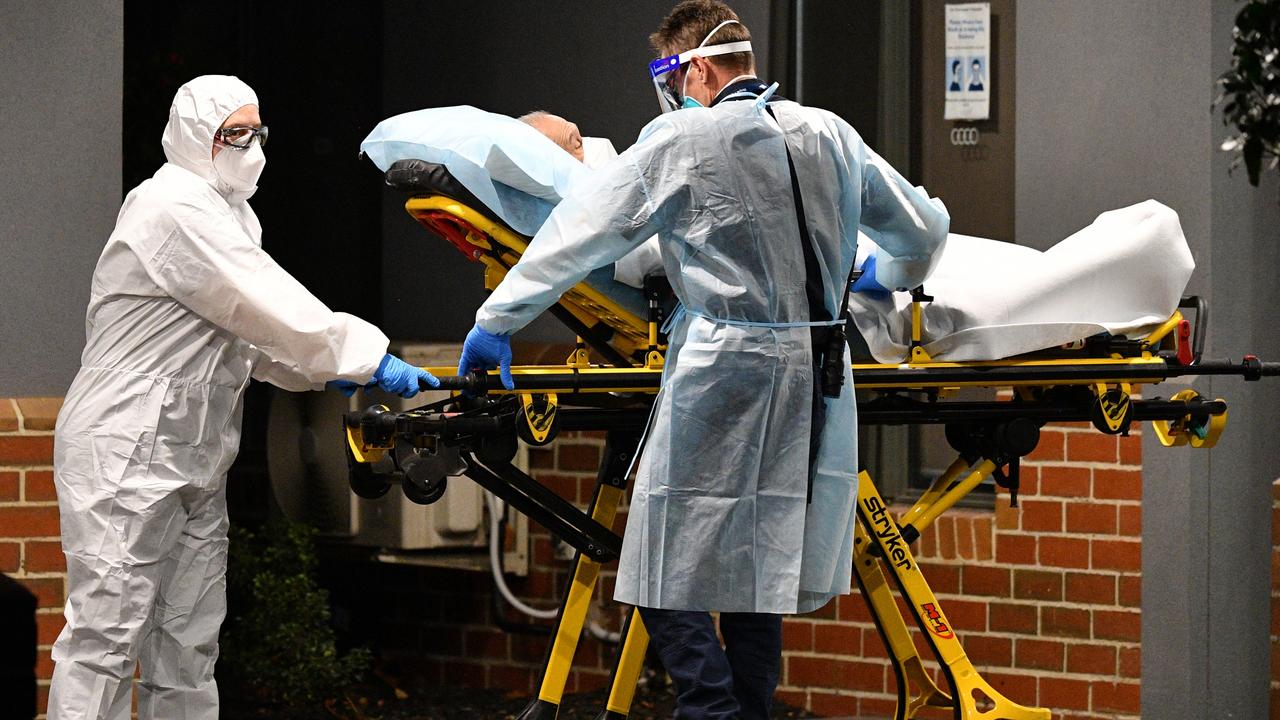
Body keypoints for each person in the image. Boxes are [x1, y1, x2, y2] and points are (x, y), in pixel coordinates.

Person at [456, 2, 949, 717]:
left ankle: (710, 707)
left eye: (673, 76)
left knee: (658, 563)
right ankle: (748, 709)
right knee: (762, 554)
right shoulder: (831, 134)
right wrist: (889, 277)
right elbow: (925, 229)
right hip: (820, 368)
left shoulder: (680, 138)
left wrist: (495, 321)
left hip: (725, 368)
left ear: (698, 68)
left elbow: (579, 235)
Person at [48, 75, 436, 720]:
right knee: (107, 637)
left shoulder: (232, 215)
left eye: (258, 131)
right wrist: (365, 357)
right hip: (125, 442)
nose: (251, 145)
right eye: (235, 133)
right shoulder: (172, 205)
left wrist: (318, 371)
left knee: (189, 640)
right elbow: (265, 301)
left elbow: (240, 336)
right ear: (197, 136)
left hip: (192, 447)